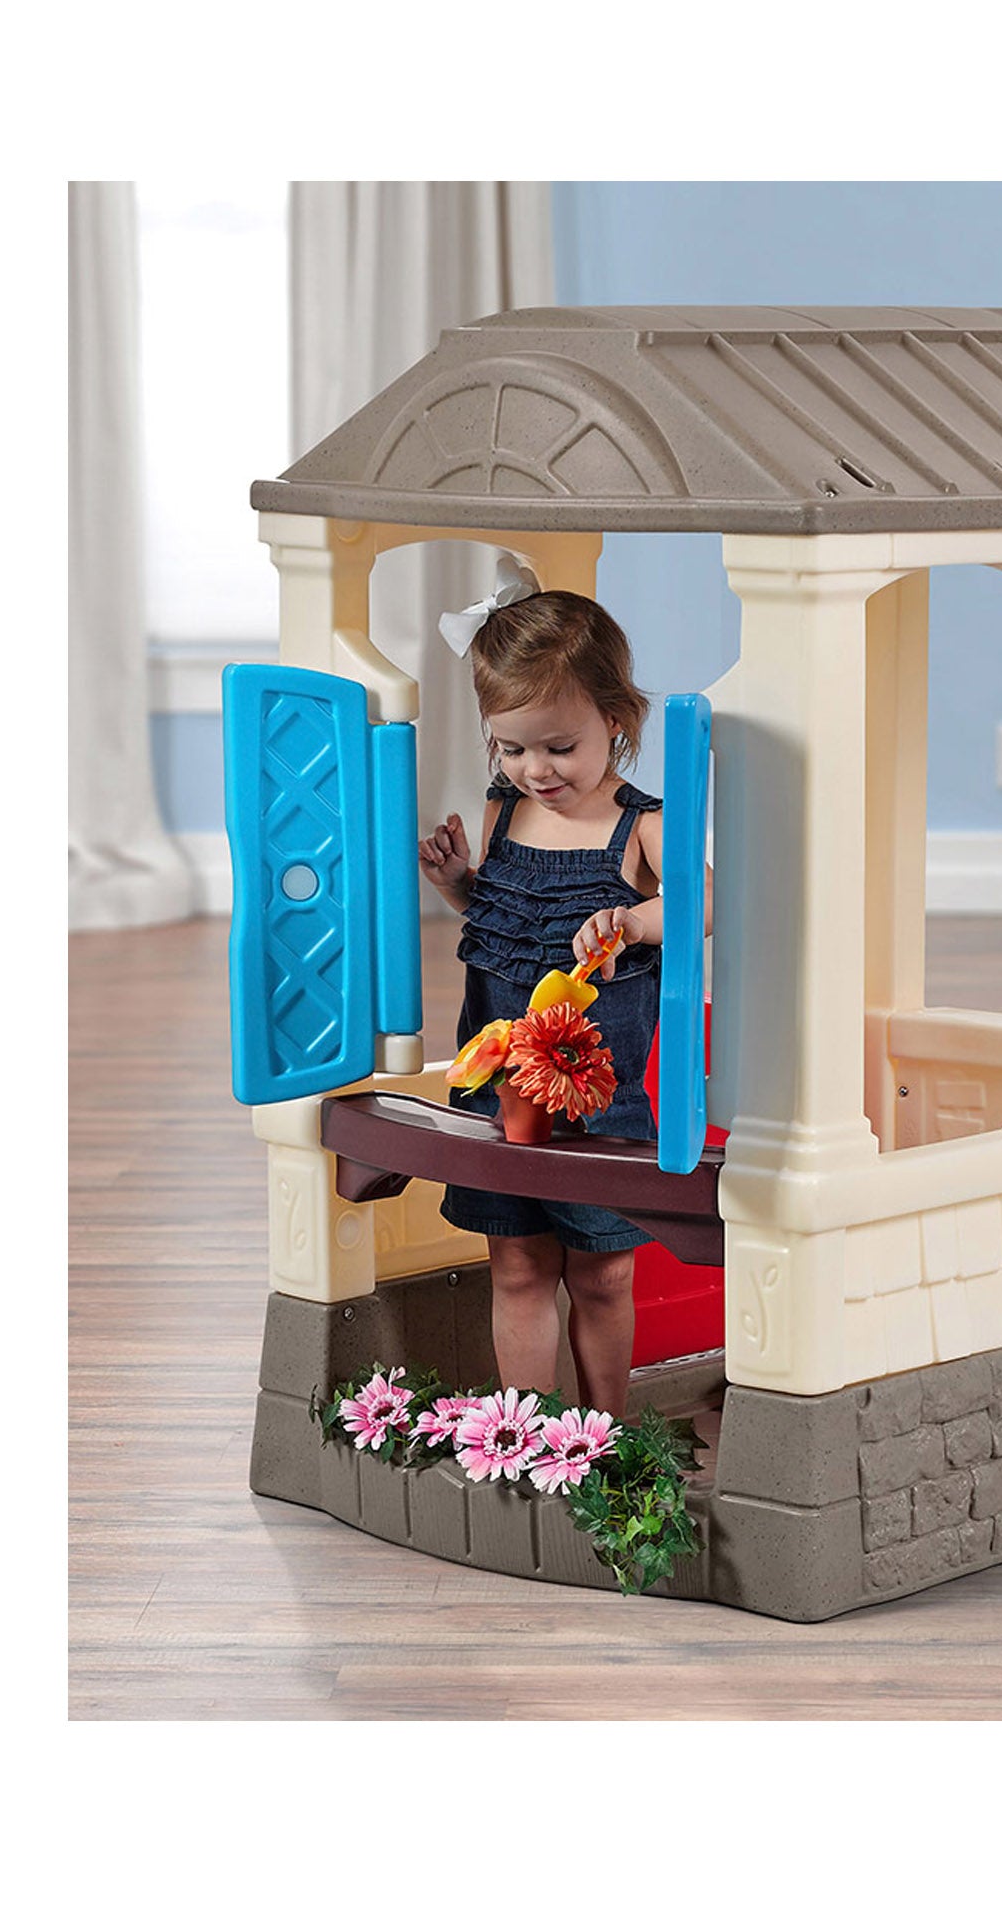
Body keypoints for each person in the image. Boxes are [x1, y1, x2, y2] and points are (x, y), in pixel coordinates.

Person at [419, 560, 711, 1419]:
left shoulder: (641, 825)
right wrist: (461, 885)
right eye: (511, 748)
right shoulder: (505, 810)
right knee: (517, 1266)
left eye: (558, 746)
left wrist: (633, 923)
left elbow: (700, 903)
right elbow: (505, 926)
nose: (535, 770)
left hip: (599, 1104)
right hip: (498, 1092)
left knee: (602, 1271)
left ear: (615, 721)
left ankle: (603, 1430)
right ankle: (528, 1432)